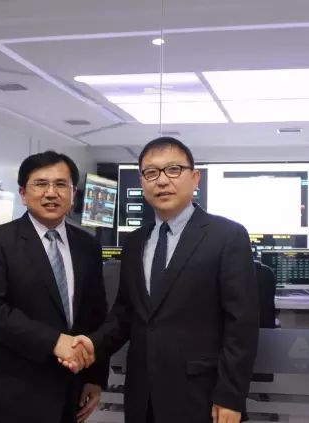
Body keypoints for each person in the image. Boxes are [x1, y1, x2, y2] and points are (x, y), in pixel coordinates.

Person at [66, 137, 260, 423]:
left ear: (195, 178)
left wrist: (231, 395)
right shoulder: (135, 242)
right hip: (142, 395)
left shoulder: (227, 236)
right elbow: (125, 313)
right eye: (151, 173)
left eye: (173, 169)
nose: (162, 181)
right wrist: (93, 345)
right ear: (142, 183)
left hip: (202, 396)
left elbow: (241, 325)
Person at [0, 151, 109, 423]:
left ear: (73, 193)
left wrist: (95, 377)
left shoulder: (88, 246)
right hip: (15, 391)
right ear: (23, 193)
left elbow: (96, 314)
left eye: (61, 184)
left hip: (71, 390)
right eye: (40, 184)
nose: (51, 193)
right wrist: (55, 341)